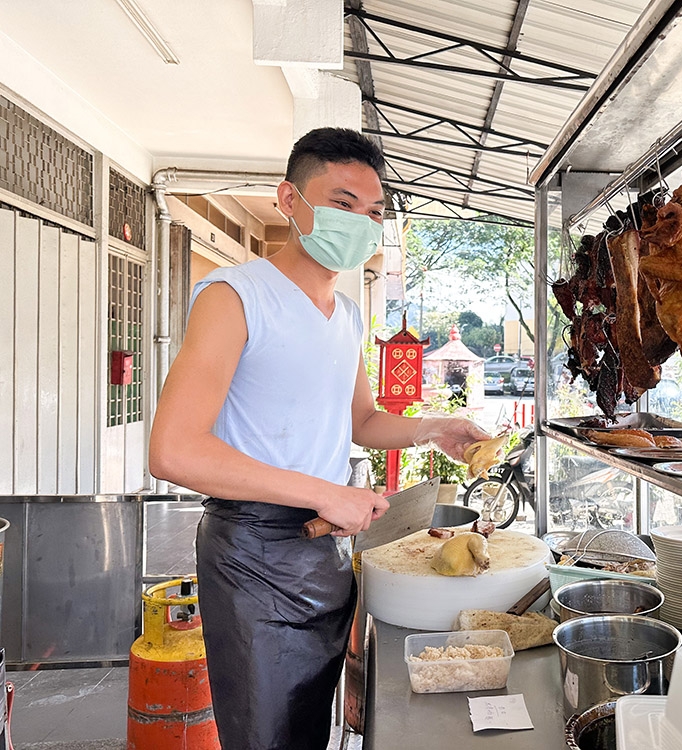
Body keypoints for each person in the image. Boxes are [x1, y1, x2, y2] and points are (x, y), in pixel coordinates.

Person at [148, 127, 489, 750]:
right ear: (288, 199)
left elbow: (360, 421)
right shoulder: (234, 297)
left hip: (324, 552)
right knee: (266, 736)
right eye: (342, 202)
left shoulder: (348, 313)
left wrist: (431, 429)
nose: (361, 222)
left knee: (308, 729)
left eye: (374, 212)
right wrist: (324, 493)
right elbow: (174, 449)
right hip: (252, 553)